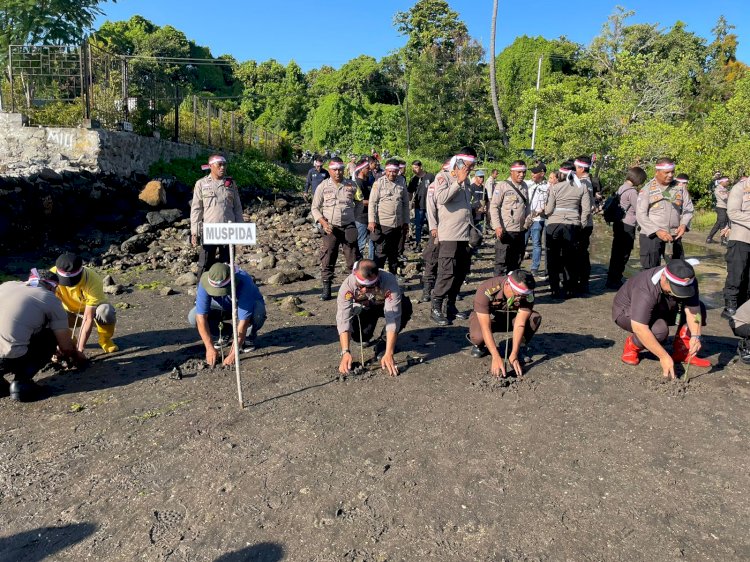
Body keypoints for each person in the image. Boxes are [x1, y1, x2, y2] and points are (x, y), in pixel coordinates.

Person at [612, 259, 710, 379]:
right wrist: (664, 356)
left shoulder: (688, 279)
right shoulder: (646, 287)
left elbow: (694, 311)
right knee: (660, 330)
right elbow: (639, 327)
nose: (676, 294)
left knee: (701, 309)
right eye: (674, 290)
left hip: (661, 307)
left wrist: (695, 336)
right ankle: (632, 345)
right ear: (663, 277)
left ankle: (683, 352)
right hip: (627, 312)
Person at [0, 269, 86, 401]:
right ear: (52, 287)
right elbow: (66, 346)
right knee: (51, 335)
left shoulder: (7, 285)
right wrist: (76, 356)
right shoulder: (49, 298)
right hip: (9, 356)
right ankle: (21, 384)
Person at [336, 260, 412, 377]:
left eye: (370, 286)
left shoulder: (388, 280)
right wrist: (345, 351)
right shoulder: (347, 286)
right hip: (365, 308)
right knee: (359, 335)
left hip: (384, 305)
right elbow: (343, 319)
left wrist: (389, 353)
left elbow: (393, 316)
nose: (365, 290)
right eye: (361, 286)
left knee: (405, 306)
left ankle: (384, 341)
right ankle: (366, 334)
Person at [431, 147, 478, 326]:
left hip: (465, 233)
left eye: (473, 165)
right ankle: (436, 306)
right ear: (459, 162)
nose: (471, 168)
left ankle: (450, 305)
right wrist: (458, 182)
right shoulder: (443, 176)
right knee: (446, 272)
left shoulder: (466, 181)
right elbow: (441, 199)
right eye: (469, 165)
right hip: (450, 234)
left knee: (461, 271)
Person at [187, 263, 266, 366]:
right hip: (220, 306)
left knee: (258, 313)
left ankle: (247, 337)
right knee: (193, 317)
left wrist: (233, 354)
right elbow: (201, 317)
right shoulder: (205, 280)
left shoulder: (244, 281)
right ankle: (226, 332)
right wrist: (209, 348)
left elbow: (243, 322)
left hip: (243, 305)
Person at [467, 270, 541, 378]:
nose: (520, 299)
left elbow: (520, 323)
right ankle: (480, 345)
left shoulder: (527, 292)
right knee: (478, 336)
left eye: (523, 297)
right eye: (517, 295)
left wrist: (514, 353)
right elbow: (485, 327)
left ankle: (517, 345)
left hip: (510, 319)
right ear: (507, 285)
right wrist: (495, 356)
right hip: (489, 319)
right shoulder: (487, 288)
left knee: (534, 318)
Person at [311, 157, 362, 300]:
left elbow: (359, 202)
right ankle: (326, 289)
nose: (338, 173)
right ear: (329, 170)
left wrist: (354, 217)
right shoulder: (323, 186)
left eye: (340, 169)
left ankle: (354, 288)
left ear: (344, 170)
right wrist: (323, 222)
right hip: (330, 227)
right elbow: (314, 207)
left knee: (353, 259)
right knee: (328, 257)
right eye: (334, 170)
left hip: (348, 226)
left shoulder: (352, 185)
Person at [51, 252, 119, 353]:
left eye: (73, 280)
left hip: (92, 313)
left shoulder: (93, 279)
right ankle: (70, 341)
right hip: (67, 313)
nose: (69, 284)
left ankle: (105, 340)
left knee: (106, 311)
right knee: (48, 316)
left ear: (81, 270)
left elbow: (88, 318)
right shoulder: (51, 275)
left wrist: (80, 349)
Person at [190, 154, 244, 281]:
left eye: (224, 164)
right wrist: (194, 232)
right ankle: (202, 296)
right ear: (210, 166)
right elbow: (197, 209)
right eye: (219, 165)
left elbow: (237, 207)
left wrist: (241, 229)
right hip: (209, 230)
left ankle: (226, 295)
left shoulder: (231, 184)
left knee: (228, 264)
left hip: (228, 230)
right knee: (205, 264)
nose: (222, 167)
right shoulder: (201, 184)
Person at [635, 158, 694, 269]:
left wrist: (684, 224)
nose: (670, 175)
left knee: (678, 270)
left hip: (674, 235)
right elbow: (641, 215)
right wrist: (657, 231)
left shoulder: (680, 188)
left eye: (672, 172)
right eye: (667, 172)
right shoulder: (647, 189)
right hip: (651, 236)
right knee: (650, 271)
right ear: (657, 172)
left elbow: (688, 209)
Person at [545, 162, 592, 299]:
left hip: (554, 224)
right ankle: (569, 288)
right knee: (570, 259)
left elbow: (548, 210)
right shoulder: (581, 187)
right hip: (572, 225)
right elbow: (586, 209)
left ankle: (554, 288)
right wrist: (581, 224)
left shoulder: (555, 187)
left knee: (553, 258)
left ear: (561, 174)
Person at [605, 167, 647, 289]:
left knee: (616, 251)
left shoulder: (622, 187)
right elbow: (639, 209)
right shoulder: (632, 192)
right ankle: (616, 279)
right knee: (624, 253)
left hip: (618, 223)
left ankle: (611, 277)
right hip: (628, 224)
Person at [369, 159, 410, 274]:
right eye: (389, 171)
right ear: (386, 170)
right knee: (381, 253)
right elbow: (372, 203)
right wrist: (371, 221)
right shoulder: (379, 183)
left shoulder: (401, 182)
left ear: (398, 171)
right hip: (383, 224)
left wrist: (406, 222)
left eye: (394, 171)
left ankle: (392, 278)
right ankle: (377, 279)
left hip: (397, 224)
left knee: (394, 253)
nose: (392, 174)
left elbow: (406, 203)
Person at [489, 161, 529, 277]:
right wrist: (497, 226)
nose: (522, 175)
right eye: (519, 172)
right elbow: (494, 206)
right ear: (511, 172)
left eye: (524, 172)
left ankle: (512, 291)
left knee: (516, 263)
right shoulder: (502, 185)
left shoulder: (525, 186)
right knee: (501, 263)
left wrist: (527, 222)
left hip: (520, 231)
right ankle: (498, 292)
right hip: (505, 231)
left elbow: (527, 206)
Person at [721, 176, 750, 319]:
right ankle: (730, 306)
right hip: (741, 238)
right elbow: (732, 212)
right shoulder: (740, 188)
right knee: (736, 274)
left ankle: (745, 308)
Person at [573, 156, 595, 293]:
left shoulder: (583, 183)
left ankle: (581, 282)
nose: (574, 171)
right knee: (582, 253)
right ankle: (582, 281)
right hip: (586, 222)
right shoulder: (588, 181)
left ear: (581, 168)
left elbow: (584, 208)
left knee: (579, 254)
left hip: (582, 223)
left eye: (575, 169)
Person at [525, 163, 549, 276]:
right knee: (522, 243)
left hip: (539, 219)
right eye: (532, 172)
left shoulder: (548, 186)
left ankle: (534, 268)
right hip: (526, 218)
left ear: (542, 174)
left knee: (536, 243)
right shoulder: (527, 184)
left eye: (535, 172)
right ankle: (516, 266)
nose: (532, 174)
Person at [408, 160, 434, 251]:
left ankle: (433, 244)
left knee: (432, 225)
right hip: (419, 206)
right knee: (418, 226)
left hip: (430, 205)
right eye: (413, 168)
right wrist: (410, 202)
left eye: (416, 167)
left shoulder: (430, 176)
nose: (414, 170)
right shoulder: (413, 179)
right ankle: (418, 244)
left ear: (420, 166)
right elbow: (410, 192)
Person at [353, 158, 374, 259]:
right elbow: (360, 202)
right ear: (361, 169)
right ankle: (357, 265)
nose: (369, 170)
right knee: (361, 243)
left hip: (370, 216)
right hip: (361, 217)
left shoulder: (368, 182)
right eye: (367, 168)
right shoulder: (357, 183)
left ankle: (371, 263)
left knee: (372, 241)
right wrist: (375, 202)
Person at [706, 175, 731, 245]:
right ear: (722, 182)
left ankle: (709, 238)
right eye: (727, 181)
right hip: (721, 208)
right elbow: (724, 197)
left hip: (725, 208)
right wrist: (731, 193)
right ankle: (723, 240)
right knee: (723, 223)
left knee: (718, 224)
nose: (728, 182)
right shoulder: (718, 189)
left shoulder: (725, 189)